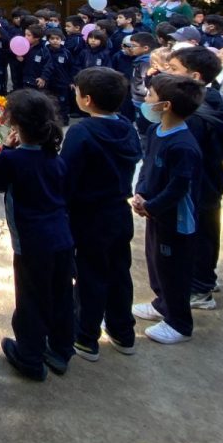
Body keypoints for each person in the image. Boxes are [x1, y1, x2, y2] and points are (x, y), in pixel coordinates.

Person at [0, 90, 74, 380]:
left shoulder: (14, 159)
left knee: (30, 299)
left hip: (32, 243)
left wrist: (7, 149)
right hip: (62, 238)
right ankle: (60, 350)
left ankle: (29, 357)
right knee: (61, 295)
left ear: (16, 125)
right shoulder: (56, 158)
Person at [61, 68, 142, 361]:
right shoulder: (126, 127)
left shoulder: (82, 132)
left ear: (88, 99)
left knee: (90, 274)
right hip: (119, 211)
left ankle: (85, 336)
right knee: (120, 271)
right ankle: (123, 332)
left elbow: (66, 175)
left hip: (89, 215)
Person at [131, 74, 204, 344]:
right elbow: (147, 166)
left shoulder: (184, 145)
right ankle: (162, 303)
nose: (146, 99)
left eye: (150, 95)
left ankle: (179, 322)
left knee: (174, 268)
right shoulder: (155, 130)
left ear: (166, 105)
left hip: (176, 218)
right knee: (155, 259)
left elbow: (179, 188)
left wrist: (151, 206)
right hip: (154, 213)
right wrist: (141, 193)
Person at [165, 47, 223, 308]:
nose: (166, 73)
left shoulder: (197, 113)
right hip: (207, 181)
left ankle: (200, 288)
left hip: (199, 183)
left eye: (173, 70)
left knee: (199, 233)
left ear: (194, 75)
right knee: (205, 229)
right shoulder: (210, 98)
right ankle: (204, 278)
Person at [37, 28, 75, 124]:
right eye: (52, 38)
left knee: (63, 103)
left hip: (62, 83)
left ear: (61, 39)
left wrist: (72, 81)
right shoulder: (44, 51)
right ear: (48, 40)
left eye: (57, 38)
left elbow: (71, 68)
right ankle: (50, 120)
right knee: (48, 101)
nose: (55, 41)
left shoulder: (66, 53)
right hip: (48, 82)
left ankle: (63, 120)